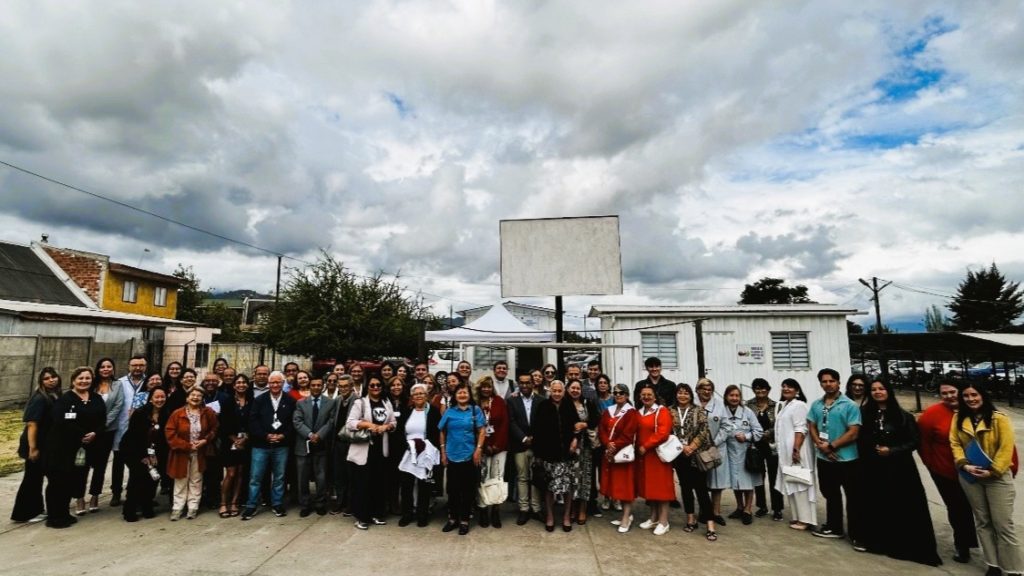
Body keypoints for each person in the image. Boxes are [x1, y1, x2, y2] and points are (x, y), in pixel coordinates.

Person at [857, 376, 941, 565]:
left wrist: (892, 450)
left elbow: (914, 441)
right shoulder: (864, 414)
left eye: (881, 389)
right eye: (874, 389)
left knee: (903, 506)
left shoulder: (903, 416)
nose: (877, 392)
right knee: (878, 505)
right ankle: (879, 542)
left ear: (888, 391)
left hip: (899, 468)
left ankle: (904, 546)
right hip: (873, 468)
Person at [950, 384, 1022, 576]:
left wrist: (993, 470)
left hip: (997, 477)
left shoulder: (999, 419)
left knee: (1003, 524)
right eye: (966, 396)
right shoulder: (958, 418)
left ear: (983, 395)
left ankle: (1014, 568)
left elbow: (1006, 448)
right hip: (970, 476)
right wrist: (964, 464)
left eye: (974, 394)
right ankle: (993, 565)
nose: (970, 399)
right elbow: (955, 443)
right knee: (982, 521)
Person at [918, 380, 978, 563]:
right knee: (958, 509)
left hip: (979, 470)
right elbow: (923, 442)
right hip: (946, 471)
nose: (949, 396)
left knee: (983, 511)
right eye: (944, 393)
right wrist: (931, 464)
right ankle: (963, 545)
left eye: (952, 392)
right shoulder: (931, 414)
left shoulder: (975, 409)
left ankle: (994, 549)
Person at [807, 367, 864, 547]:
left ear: (838, 382)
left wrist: (831, 446)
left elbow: (853, 432)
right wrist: (820, 445)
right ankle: (834, 527)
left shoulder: (849, 405)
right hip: (824, 459)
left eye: (831, 381)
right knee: (830, 494)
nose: (828, 384)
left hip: (846, 459)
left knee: (853, 497)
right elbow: (811, 425)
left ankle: (857, 534)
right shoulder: (817, 404)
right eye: (824, 381)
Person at [44, 367, 105, 529]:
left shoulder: (96, 398)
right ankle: (54, 517)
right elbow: (61, 421)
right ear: (73, 380)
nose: (84, 381)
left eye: (87, 378)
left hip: (83, 449)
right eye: (80, 378)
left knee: (71, 481)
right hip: (62, 448)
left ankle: (64, 513)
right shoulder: (65, 400)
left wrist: (95, 433)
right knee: (58, 482)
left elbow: (102, 420)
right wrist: (82, 434)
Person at [241, 370, 297, 520]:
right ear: (268, 383)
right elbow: (253, 421)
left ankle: (277, 503)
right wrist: (265, 435)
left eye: (278, 382)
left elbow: (293, 422)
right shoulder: (259, 400)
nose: (275, 385)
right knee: (255, 477)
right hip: (261, 445)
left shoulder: (290, 401)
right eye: (272, 382)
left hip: (281, 445)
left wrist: (283, 435)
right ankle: (251, 505)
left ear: (283, 383)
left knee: (279, 477)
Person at [346, 376, 396, 530]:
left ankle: (377, 514)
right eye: (372, 385)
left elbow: (393, 422)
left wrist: (386, 427)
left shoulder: (386, 402)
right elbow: (350, 423)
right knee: (362, 485)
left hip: (381, 449)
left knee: (378, 484)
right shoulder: (360, 403)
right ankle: (362, 517)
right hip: (364, 449)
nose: (375, 387)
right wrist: (368, 424)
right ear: (367, 387)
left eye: (378, 385)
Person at [12, 367, 60, 523]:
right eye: (46, 378)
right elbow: (32, 424)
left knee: (36, 478)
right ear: (41, 381)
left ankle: (36, 509)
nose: (51, 380)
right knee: (32, 479)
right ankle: (25, 513)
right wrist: (33, 448)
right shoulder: (39, 398)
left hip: (46, 444)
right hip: (35, 444)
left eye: (53, 376)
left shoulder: (54, 395)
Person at [75, 357, 122, 514]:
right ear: (98, 369)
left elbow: (117, 406)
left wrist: (101, 427)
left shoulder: (117, 385)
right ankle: (79, 498)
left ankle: (95, 496)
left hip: (106, 432)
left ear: (113, 369)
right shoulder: (90, 383)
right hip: (87, 432)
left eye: (109, 366)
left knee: (100, 466)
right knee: (82, 466)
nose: (106, 369)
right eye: (102, 366)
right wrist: (90, 429)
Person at [438, 381, 486, 535]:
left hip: (469, 456)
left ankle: (464, 520)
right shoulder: (450, 411)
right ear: (455, 395)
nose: (462, 395)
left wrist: (478, 449)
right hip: (452, 455)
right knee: (452, 489)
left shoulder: (475, 410)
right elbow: (442, 431)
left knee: (467, 490)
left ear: (470, 395)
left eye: (465, 392)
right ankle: (452, 519)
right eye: (459, 392)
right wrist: (443, 451)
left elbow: (482, 431)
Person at [532, 380, 580, 532]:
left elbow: (576, 426)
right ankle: (550, 516)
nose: (557, 393)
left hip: (567, 454)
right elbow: (537, 431)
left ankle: (566, 517)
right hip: (549, 454)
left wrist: (575, 440)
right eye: (555, 391)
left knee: (567, 487)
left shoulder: (568, 405)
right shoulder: (543, 406)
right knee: (549, 487)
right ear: (550, 391)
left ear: (564, 392)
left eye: (560, 391)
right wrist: (538, 454)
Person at [165, 387, 218, 520]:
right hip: (181, 452)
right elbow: (170, 434)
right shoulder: (177, 413)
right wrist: (187, 446)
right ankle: (177, 508)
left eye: (199, 396)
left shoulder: (207, 412)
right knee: (180, 479)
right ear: (187, 398)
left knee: (196, 480)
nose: (195, 398)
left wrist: (205, 440)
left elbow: (214, 429)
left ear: (202, 399)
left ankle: (193, 507)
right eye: (193, 395)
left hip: (200, 452)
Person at [669, 383, 713, 536]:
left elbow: (704, 431)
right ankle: (690, 519)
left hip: (697, 455)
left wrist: (691, 447)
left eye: (686, 393)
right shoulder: (670, 411)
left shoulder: (698, 410)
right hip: (679, 455)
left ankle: (710, 524)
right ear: (676, 395)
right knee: (686, 488)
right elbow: (668, 432)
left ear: (691, 395)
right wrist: (682, 447)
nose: (682, 396)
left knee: (701, 489)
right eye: (680, 392)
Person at [774, 378, 817, 531]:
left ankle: (806, 519)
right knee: (792, 482)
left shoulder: (799, 405)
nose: (786, 389)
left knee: (801, 484)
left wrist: (796, 449)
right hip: (787, 452)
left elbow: (801, 429)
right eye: (784, 386)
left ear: (797, 390)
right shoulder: (785, 405)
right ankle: (798, 516)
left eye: (790, 387)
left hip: (797, 451)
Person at [397, 383, 441, 527]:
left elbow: (437, 432)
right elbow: (400, 431)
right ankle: (407, 514)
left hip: (426, 452)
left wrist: (426, 446)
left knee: (424, 485)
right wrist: (408, 445)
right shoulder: (406, 411)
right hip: (408, 452)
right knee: (406, 484)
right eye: (416, 394)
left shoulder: (433, 412)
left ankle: (422, 514)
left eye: (421, 393)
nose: (419, 396)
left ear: (426, 395)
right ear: (412, 397)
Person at [120, 388, 167, 522]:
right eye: (156, 397)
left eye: (162, 397)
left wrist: (156, 455)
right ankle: (129, 510)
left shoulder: (166, 413)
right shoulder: (140, 413)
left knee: (152, 480)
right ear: (151, 399)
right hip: (134, 451)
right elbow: (134, 437)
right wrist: (143, 456)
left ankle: (147, 507)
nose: (160, 400)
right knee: (137, 480)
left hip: (155, 452)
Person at [634, 383, 675, 536]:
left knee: (662, 488)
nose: (646, 397)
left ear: (655, 397)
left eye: (649, 394)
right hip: (644, 456)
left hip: (658, 455)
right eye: (643, 394)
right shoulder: (639, 412)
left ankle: (664, 522)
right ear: (640, 397)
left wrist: (646, 446)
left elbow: (663, 433)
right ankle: (653, 518)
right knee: (650, 487)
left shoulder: (661, 411)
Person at [293, 377, 335, 517]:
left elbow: (331, 421)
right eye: (313, 385)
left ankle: (320, 503)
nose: (316, 387)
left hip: (321, 444)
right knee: (302, 478)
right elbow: (297, 421)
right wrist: (310, 434)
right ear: (309, 386)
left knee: (321, 477)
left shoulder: (330, 403)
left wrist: (319, 435)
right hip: (303, 445)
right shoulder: (300, 403)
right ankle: (305, 504)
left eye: (319, 385)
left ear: (323, 387)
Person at [599, 384, 638, 533]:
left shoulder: (631, 412)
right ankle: (624, 516)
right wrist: (607, 444)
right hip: (610, 453)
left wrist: (613, 446)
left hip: (622, 454)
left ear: (627, 395)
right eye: (615, 393)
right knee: (615, 486)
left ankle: (626, 517)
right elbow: (601, 429)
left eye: (621, 393)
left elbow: (628, 434)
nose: (618, 395)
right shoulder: (608, 411)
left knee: (625, 487)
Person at [112, 355, 148, 506]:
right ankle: (116, 493)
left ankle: (136, 493)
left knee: (139, 463)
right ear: (129, 366)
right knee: (118, 462)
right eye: (134, 365)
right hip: (121, 428)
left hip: (140, 430)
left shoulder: (149, 382)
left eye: (141, 365)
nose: (137, 368)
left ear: (145, 367)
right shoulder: (120, 383)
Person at [473, 376, 509, 528]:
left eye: (489, 386)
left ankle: (495, 510)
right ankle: (483, 509)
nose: (486, 389)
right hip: (481, 447)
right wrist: (484, 445)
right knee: (483, 478)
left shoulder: (499, 401)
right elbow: (474, 427)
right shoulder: (475, 404)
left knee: (497, 477)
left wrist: (496, 445)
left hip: (499, 447)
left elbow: (505, 424)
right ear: (479, 388)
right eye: (484, 386)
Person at [508, 372, 542, 525]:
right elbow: (511, 422)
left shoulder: (541, 400)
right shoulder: (512, 401)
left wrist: (535, 438)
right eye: (521, 382)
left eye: (527, 382)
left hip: (537, 445)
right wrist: (523, 438)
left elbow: (543, 421)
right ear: (518, 384)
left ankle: (536, 508)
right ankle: (524, 509)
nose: (525, 385)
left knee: (536, 477)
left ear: (533, 383)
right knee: (522, 478)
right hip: (519, 445)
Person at [746, 378, 783, 520]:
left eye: (763, 388)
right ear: (753, 390)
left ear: (768, 390)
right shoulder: (748, 405)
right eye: (757, 388)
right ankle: (762, 506)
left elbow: (780, 425)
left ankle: (777, 509)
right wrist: (756, 435)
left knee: (774, 477)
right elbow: (745, 423)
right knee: (758, 477)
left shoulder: (777, 406)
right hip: (755, 446)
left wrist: (767, 433)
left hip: (771, 445)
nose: (760, 391)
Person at [566, 379, 601, 525]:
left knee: (585, 479)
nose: (575, 390)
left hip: (586, 447)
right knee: (571, 479)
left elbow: (596, 419)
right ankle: (572, 509)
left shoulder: (587, 403)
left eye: (577, 388)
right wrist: (573, 436)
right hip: (570, 448)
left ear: (581, 390)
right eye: (572, 388)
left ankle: (582, 510)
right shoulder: (564, 404)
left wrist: (585, 424)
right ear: (568, 389)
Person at [696, 377, 729, 526]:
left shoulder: (720, 405)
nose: (707, 392)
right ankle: (703, 511)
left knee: (716, 482)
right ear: (698, 390)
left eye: (710, 389)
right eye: (704, 389)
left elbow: (726, 426)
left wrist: (714, 442)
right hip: (697, 449)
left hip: (715, 448)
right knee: (701, 483)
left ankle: (716, 512)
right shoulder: (693, 404)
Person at [219, 374, 252, 518]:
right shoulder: (227, 401)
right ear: (234, 385)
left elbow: (254, 421)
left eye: (244, 382)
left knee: (240, 473)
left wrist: (245, 439)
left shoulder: (252, 401)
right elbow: (223, 422)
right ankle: (223, 503)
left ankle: (234, 502)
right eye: (238, 382)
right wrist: (234, 439)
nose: (241, 385)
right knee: (231, 473)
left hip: (246, 442)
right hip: (229, 441)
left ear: (248, 385)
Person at [329, 375, 356, 515]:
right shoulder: (337, 400)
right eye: (340, 386)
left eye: (346, 386)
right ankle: (340, 502)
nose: (343, 389)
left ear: (351, 387)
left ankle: (350, 504)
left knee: (350, 475)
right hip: (338, 443)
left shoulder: (358, 401)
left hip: (351, 443)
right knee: (338, 475)